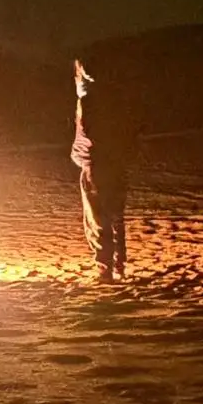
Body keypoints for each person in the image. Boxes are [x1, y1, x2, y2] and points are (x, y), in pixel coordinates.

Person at [71, 59, 127, 281]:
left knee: (97, 219)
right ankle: (119, 266)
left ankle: (105, 270)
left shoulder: (90, 103)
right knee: (115, 217)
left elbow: (87, 137)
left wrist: (81, 157)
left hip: (96, 166)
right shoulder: (118, 100)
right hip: (116, 164)